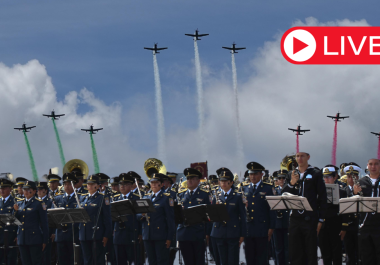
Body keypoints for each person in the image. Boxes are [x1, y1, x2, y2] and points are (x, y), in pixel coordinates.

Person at [281, 152, 328, 265]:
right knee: (295, 252)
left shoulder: (315, 173)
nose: (299, 158)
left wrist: (321, 219)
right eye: (297, 156)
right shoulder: (290, 174)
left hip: (310, 218)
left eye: (302, 156)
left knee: (310, 252)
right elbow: (284, 193)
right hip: (295, 219)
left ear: (308, 157)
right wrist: (292, 182)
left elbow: (322, 197)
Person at [137, 173, 175, 265]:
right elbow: (137, 216)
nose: (153, 184)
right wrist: (142, 215)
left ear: (162, 184)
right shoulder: (146, 197)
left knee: (161, 261)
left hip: (160, 235)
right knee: (151, 261)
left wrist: (170, 238)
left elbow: (170, 219)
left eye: (156, 182)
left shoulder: (166, 198)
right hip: (148, 234)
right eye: (152, 182)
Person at [243, 162, 276, 265]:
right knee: (249, 257)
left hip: (262, 228)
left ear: (261, 174)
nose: (253, 176)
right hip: (248, 228)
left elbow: (272, 209)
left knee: (261, 258)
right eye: (251, 174)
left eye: (255, 174)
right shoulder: (244, 188)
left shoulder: (268, 188)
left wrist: (271, 228)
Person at [211, 170, 246, 265]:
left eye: (226, 181)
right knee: (221, 261)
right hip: (219, 233)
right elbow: (212, 217)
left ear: (231, 183)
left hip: (233, 233)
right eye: (221, 181)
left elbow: (243, 217)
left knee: (232, 260)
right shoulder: (216, 196)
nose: (223, 183)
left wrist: (242, 234)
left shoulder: (237, 197)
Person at [177, 168, 211, 265]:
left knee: (199, 261)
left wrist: (207, 233)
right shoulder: (181, 195)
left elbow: (209, 215)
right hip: (184, 234)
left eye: (192, 178)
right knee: (188, 262)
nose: (190, 181)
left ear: (198, 181)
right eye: (188, 178)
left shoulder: (204, 195)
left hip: (198, 233)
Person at [79, 175, 112, 265]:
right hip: (84, 234)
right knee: (87, 261)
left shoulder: (102, 198)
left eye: (92, 184)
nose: (89, 186)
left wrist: (106, 235)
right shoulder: (83, 198)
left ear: (97, 186)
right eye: (88, 184)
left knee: (98, 261)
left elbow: (107, 218)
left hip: (97, 235)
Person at [14, 181, 49, 265]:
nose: (25, 191)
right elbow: (15, 221)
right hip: (22, 238)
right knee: (25, 262)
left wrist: (45, 240)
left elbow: (44, 223)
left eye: (28, 189)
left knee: (35, 262)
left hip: (34, 239)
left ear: (34, 191)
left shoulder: (38, 203)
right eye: (24, 189)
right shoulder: (20, 203)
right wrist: (15, 211)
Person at [318, 165, 348, 265]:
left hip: (336, 225)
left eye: (329, 177)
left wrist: (344, 227)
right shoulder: (318, 192)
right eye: (324, 177)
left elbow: (344, 211)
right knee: (325, 254)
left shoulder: (342, 191)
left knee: (336, 254)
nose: (326, 179)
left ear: (335, 177)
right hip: (323, 226)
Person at [353, 158, 380, 264]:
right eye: (371, 164)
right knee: (366, 257)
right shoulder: (361, 181)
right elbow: (354, 202)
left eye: (376, 164)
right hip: (365, 226)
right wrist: (355, 193)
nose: (373, 167)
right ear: (367, 166)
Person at [113, 173, 142, 265]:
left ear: (130, 185)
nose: (122, 186)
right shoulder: (115, 199)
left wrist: (140, 233)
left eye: (125, 184)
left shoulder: (136, 198)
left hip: (132, 234)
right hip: (118, 235)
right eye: (121, 184)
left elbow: (140, 217)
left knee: (135, 261)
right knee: (120, 261)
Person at [54, 173, 81, 265]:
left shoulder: (79, 197)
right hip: (61, 235)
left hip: (74, 234)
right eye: (65, 184)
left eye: (69, 184)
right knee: (62, 261)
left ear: (75, 185)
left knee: (74, 260)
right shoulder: (58, 199)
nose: (67, 186)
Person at [343, 163, 360, 265]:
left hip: (359, 225)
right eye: (349, 176)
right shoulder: (343, 190)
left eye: (353, 176)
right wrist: (353, 193)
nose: (351, 179)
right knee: (349, 253)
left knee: (360, 253)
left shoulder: (362, 189)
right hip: (348, 226)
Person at [272, 170, 289, 265]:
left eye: (283, 178)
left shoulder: (290, 189)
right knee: (278, 248)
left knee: (287, 248)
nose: (281, 180)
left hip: (287, 221)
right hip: (277, 223)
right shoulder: (274, 190)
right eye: (279, 178)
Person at [0, 179, 18, 264]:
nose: (2, 190)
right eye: (1, 188)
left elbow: (18, 220)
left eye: (4, 188)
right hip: (0, 235)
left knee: (11, 260)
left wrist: (17, 234)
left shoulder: (15, 201)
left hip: (10, 236)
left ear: (10, 189)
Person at [36, 181, 54, 265]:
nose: (38, 191)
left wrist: (53, 232)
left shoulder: (50, 202)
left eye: (41, 189)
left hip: (47, 232)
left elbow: (53, 218)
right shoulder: (36, 202)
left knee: (46, 256)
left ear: (46, 191)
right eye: (38, 190)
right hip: (36, 232)